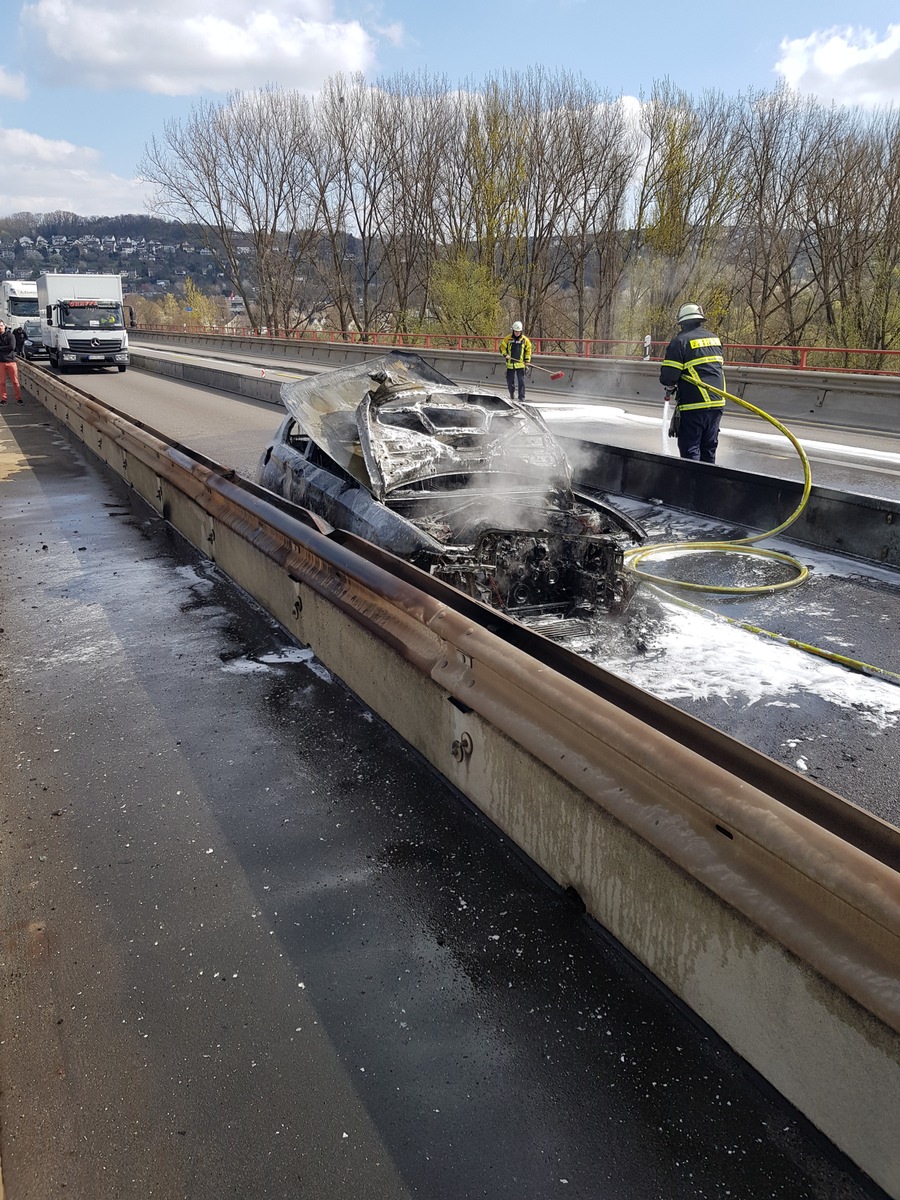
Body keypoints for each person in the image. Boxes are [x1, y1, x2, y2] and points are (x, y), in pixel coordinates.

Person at [659, 302, 725, 463]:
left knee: (691, 451)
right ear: (700, 320)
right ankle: (708, 484)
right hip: (717, 402)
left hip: (694, 404)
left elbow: (668, 377)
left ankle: (692, 486)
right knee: (708, 448)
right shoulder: (714, 339)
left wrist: (671, 383)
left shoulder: (680, 342)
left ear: (681, 323)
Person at [499, 320, 532, 401]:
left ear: (521, 331)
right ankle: (512, 393)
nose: (517, 333)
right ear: (513, 330)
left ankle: (521, 397)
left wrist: (527, 360)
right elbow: (501, 347)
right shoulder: (508, 339)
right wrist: (505, 354)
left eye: (518, 332)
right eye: (515, 331)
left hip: (521, 365)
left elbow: (528, 350)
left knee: (521, 381)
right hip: (510, 364)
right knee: (510, 382)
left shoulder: (525, 340)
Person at [0, 321, 23, 404]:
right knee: (2, 382)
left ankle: (18, 398)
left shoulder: (10, 336)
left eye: (1, 326)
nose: (0, 327)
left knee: (15, 381)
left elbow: (12, 347)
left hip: (11, 361)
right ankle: (3, 399)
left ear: (4, 326)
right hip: (1, 362)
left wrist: (1, 348)